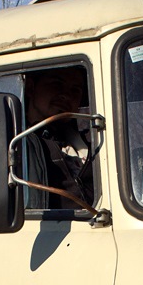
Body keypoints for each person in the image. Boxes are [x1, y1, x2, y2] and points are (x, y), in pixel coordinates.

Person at [23, 67, 94, 209]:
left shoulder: (93, 144)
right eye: (56, 84)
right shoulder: (17, 144)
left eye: (75, 90)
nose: (66, 95)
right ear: (31, 88)